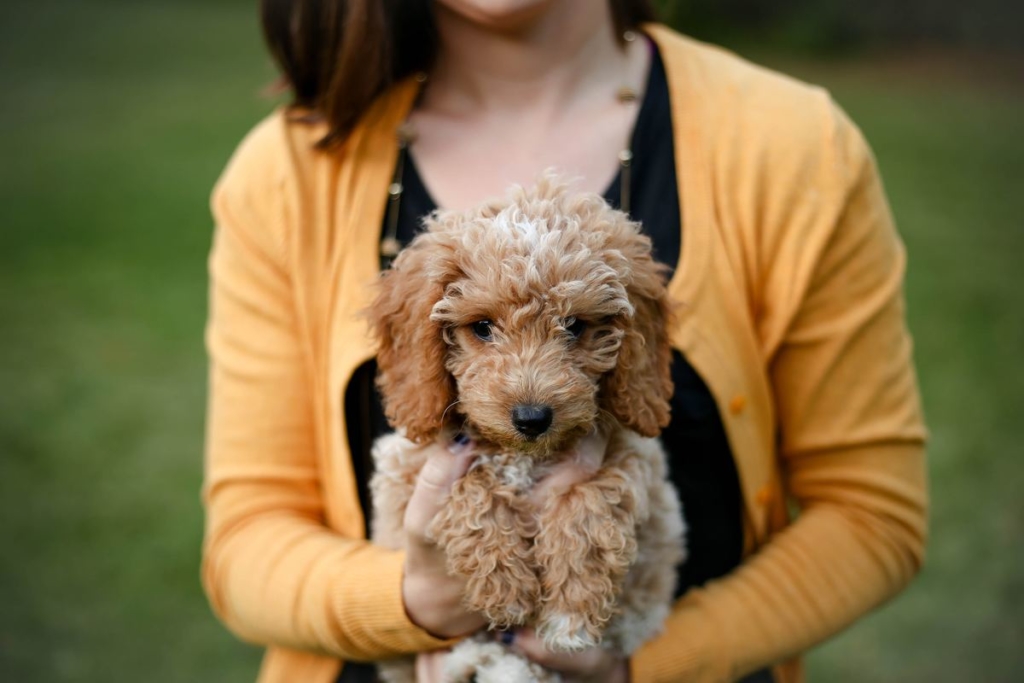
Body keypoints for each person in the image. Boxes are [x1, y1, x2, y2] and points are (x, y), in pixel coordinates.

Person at [201, 1, 929, 682]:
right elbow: (242, 544)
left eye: (580, 327)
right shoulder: (284, 175)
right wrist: (413, 598)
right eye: (482, 327)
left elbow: (872, 516)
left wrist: (644, 664)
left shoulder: (796, 147)